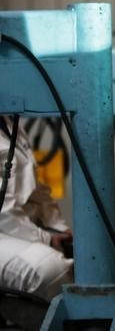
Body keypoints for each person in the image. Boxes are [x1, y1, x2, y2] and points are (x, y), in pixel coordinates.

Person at [0, 118, 72, 302]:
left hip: (17, 229)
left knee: (81, 256)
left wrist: (59, 228)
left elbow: (38, 189)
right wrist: (47, 238)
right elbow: (3, 211)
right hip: (4, 231)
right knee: (51, 269)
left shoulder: (10, 122)